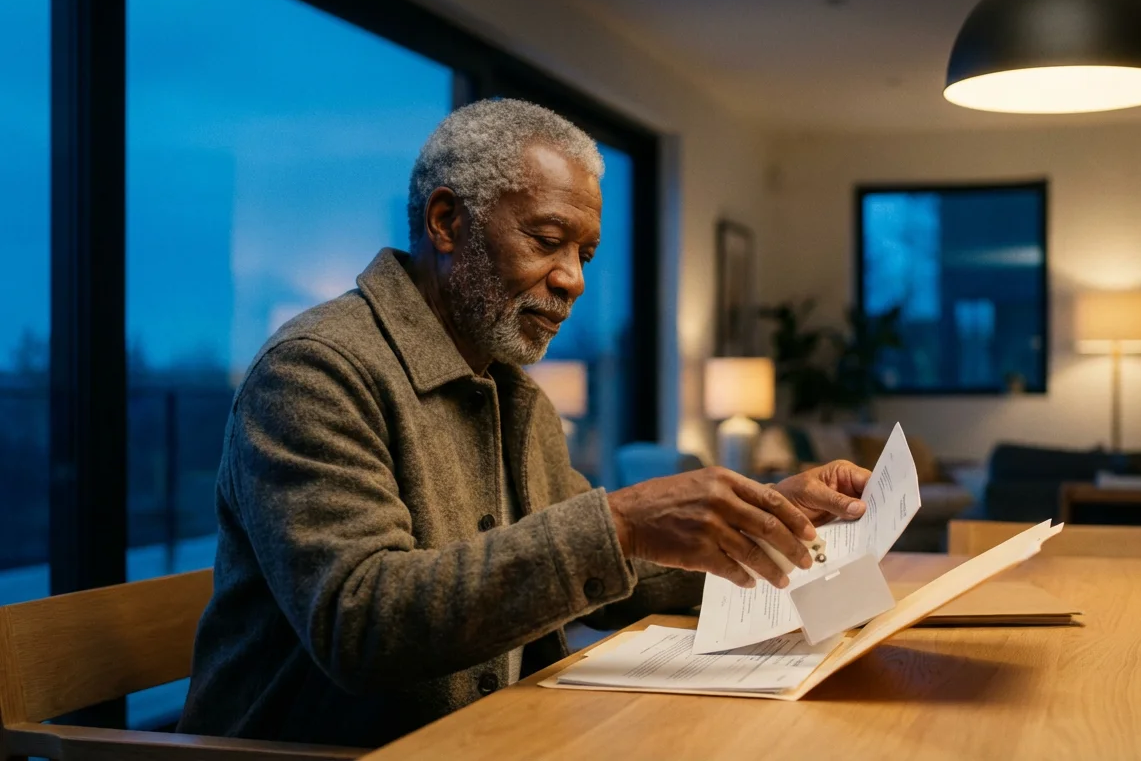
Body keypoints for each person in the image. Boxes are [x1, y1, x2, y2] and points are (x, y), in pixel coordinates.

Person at [178, 99, 870, 748]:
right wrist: (621, 522)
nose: (572, 279)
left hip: (486, 738)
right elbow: (363, 625)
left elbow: (608, 568)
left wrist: (773, 519)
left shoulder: (514, 396)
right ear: (446, 222)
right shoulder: (315, 371)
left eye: (585, 255)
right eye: (546, 240)